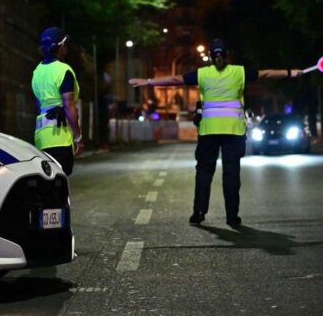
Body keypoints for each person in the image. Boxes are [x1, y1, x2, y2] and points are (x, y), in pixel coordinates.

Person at [129, 38, 302, 227]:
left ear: (211, 57)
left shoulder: (202, 74)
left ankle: (199, 211)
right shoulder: (239, 72)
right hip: (233, 131)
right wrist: (291, 73)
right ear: (228, 55)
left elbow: (175, 79)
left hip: (209, 132)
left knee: (204, 172)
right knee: (231, 174)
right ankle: (232, 217)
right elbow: (266, 74)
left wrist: (147, 82)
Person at [31, 27, 84, 175]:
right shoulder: (63, 70)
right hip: (60, 138)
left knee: (47, 184)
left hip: (41, 139)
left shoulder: (37, 72)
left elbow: (38, 104)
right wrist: (78, 137)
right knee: (61, 182)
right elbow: (68, 104)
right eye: (65, 45)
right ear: (61, 47)